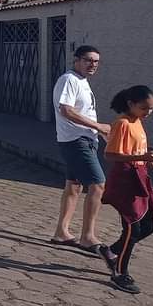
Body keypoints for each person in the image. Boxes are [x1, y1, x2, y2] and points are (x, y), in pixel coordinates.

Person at [97, 85, 153, 294]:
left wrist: (151, 161)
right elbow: (110, 155)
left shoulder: (137, 122)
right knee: (132, 228)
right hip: (125, 182)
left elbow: (138, 151)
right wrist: (141, 157)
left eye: (151, 109)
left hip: (140, 178)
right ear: (131, 104)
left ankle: (110, 251)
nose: (148, 112)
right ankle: (120, 273)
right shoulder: (122, 123)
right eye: (144, 108)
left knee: (147, 227)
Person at [50, 45, 111, 252]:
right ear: (76, 60)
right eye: (88, 60)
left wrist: (99, 133)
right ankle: (88, 236)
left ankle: (61, 232)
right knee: (98, 184)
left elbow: (83, 111)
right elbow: (66, 110)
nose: (92, 64)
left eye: (96, 61)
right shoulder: (69, 79)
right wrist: (98, 126)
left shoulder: (82, 81)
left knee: (74, 186)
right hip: (76, 141)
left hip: (85, 139)